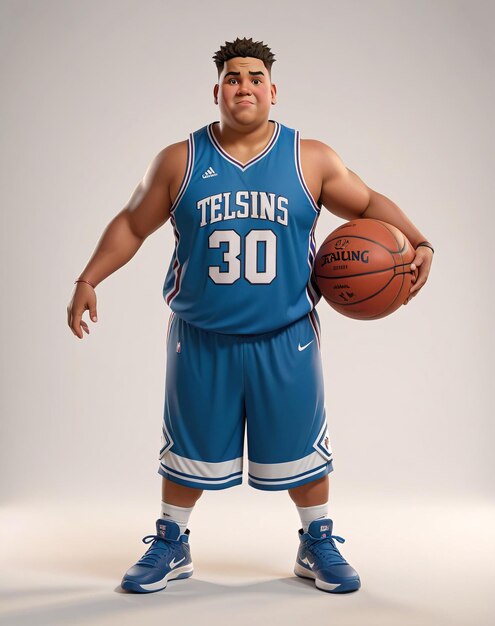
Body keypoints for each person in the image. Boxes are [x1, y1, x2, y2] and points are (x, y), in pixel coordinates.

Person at [67, 37, 434, 595]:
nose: (244, 86)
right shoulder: (179, 159)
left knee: (303, 450)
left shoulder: (309, 157)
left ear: (273, 90)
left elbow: (364, 204)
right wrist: (89, 278)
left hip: (285, 335)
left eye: (255, 77)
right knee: (186, 450)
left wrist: (418, 240)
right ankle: (172, 541)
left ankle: (317, 540)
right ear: (217, 91)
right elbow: (132, 224)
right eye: (234, 78)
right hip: (201, 334)